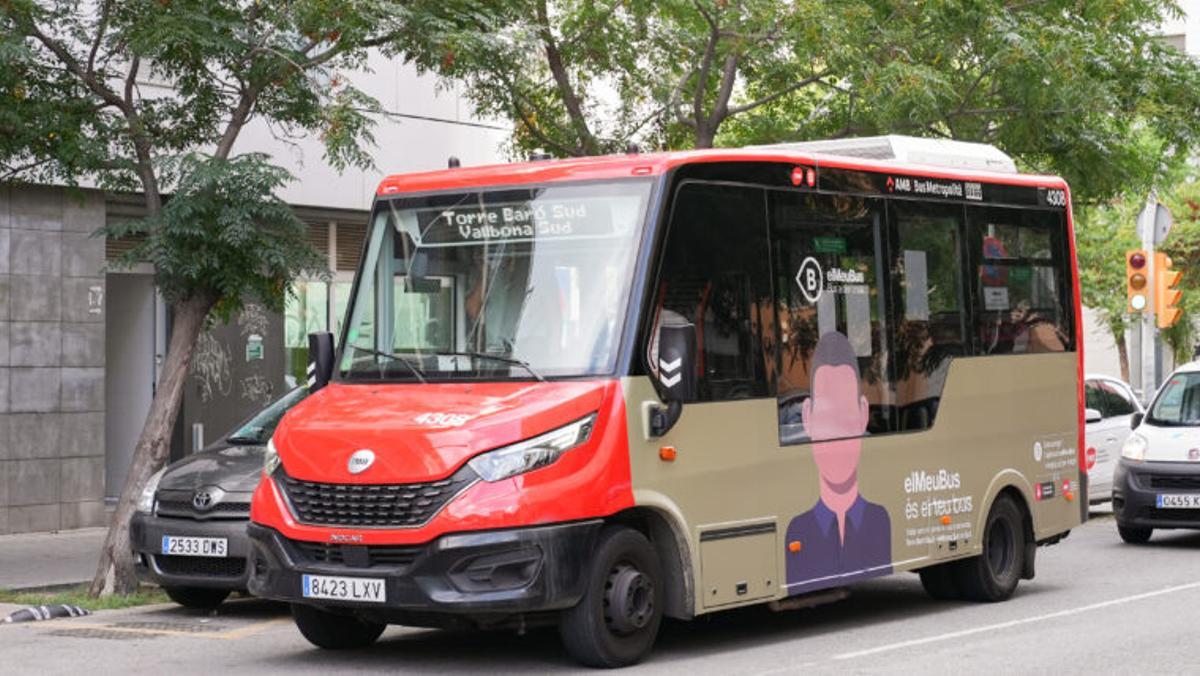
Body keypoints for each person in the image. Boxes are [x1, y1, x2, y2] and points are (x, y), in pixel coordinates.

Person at [784, 331, 892, 594]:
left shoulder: (881, 520)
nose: (837, 434)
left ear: (863, 415)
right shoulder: (796, 528)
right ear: (807, 418)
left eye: (843, 415)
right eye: (827, 416)